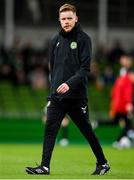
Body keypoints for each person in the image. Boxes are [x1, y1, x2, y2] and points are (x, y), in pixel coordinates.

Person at [25, 4, 110, 175]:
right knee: (50, 129)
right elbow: (53, 67)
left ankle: (103, 163)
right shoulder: (54, 40)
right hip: (57, 97)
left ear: (76, 18)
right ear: (59, 20)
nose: (66, 22)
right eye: (63, 19)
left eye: (69, 18)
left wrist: (69, 84)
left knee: (86, 131)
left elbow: (85, 69)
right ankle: (44, 166)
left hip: (76, 97)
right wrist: (52, 92)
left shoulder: (83, 39)